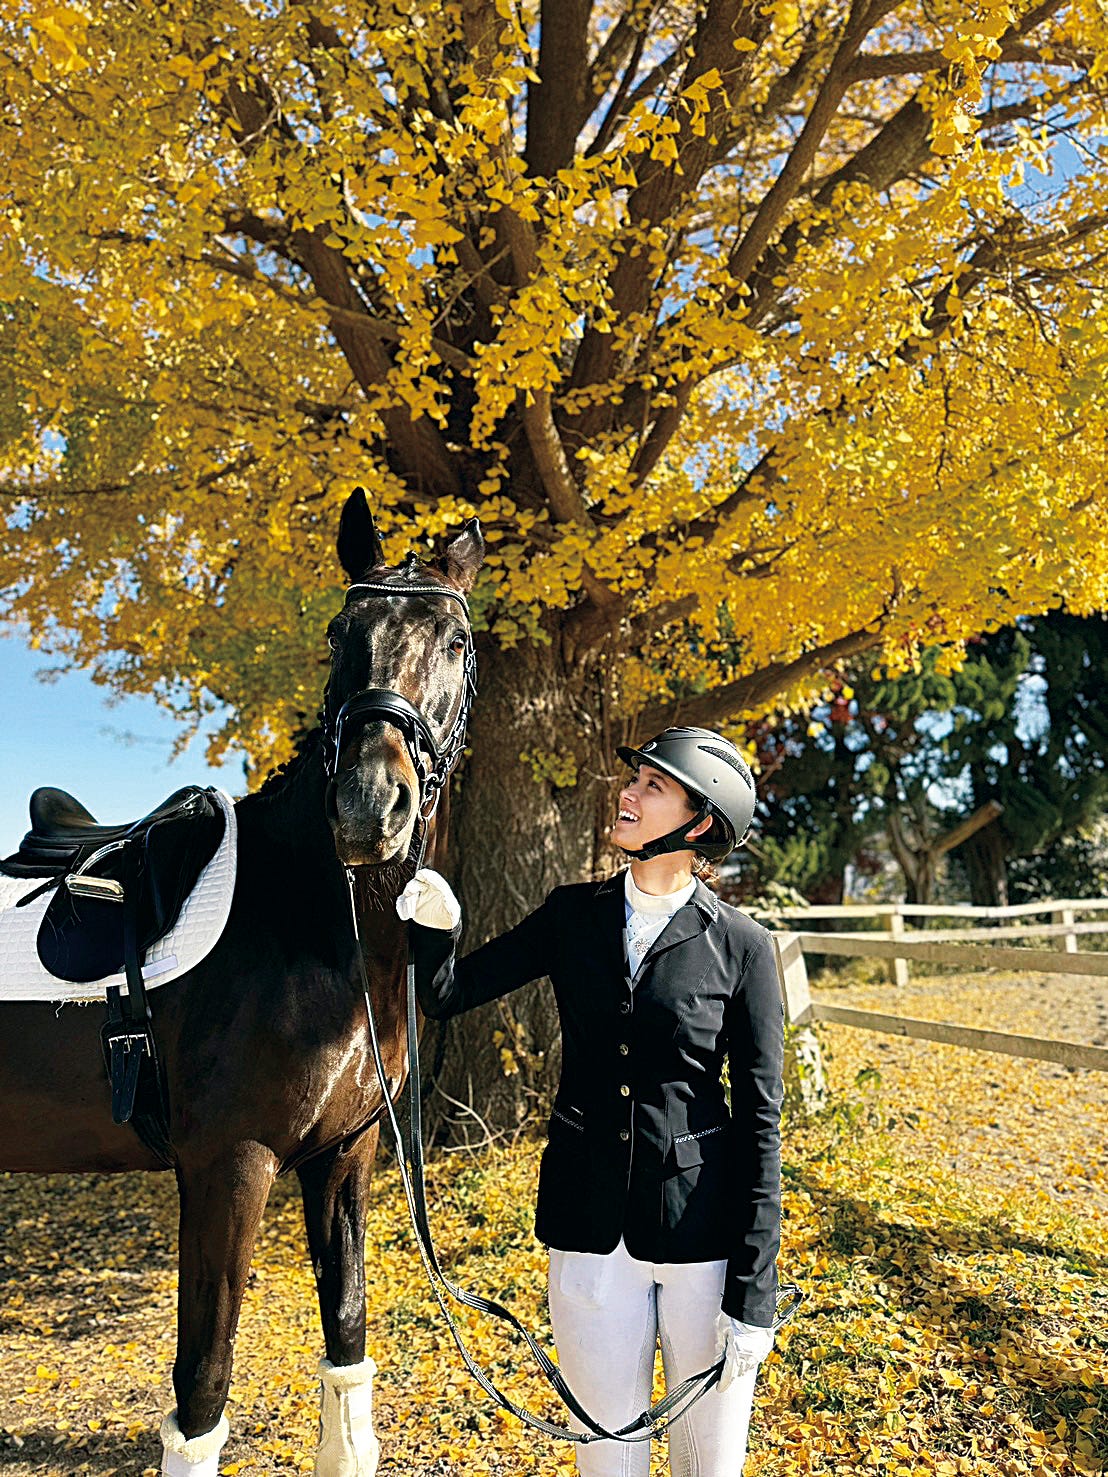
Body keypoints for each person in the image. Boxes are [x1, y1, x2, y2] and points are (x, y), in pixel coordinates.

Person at [397, 726, 784, 1477]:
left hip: (702, 1239)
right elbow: (448, 994)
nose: (627, 794)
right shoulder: (572, 914)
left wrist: (754, 1291)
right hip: (587, 1231)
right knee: (606, 1462)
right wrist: (436, 929)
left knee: (708, 1466)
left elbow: (761, 1124)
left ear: (698, 823)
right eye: (633, 779)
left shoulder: (742, 945)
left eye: (651, 786)